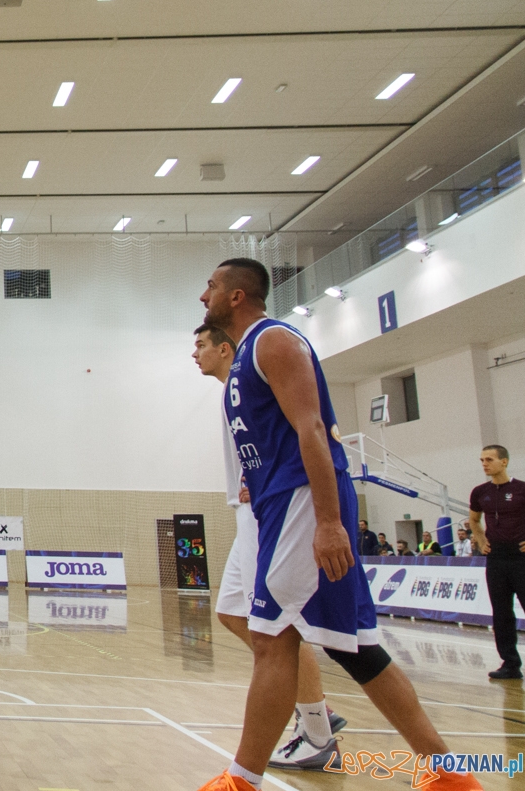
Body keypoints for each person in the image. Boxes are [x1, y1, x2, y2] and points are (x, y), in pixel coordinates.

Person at [195, 258, 480, 791]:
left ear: (236, 296)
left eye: (211, 286)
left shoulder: (273, 341)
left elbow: (313, 430)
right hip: (281, 505)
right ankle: (448, 774)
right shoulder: (246, 357)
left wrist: (328, 521)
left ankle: (241, 780)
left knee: (272, 638)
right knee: (356, 648)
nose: (202, 295)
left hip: (303, 503)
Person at [193, 322, 344, 769]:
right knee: (232, 613)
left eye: (201, 345)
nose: (195, 353)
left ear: (225, 349)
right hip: (248, 508)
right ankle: (317, 709)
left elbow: (298, 430)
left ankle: (316, 728)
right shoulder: (230, 393)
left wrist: (261, 484)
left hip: (268, 509)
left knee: (278, 628)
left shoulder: (254, 377)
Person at [470, 444, 525, 680]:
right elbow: (474, 520)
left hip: (521, 557)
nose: (484, 464)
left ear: (504, 461)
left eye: (489, 459)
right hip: (496, 559)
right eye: (482, 460)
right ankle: (510, 664)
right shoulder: (480, 492)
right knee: (501, 613)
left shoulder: (521, 489)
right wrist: (482, 540)